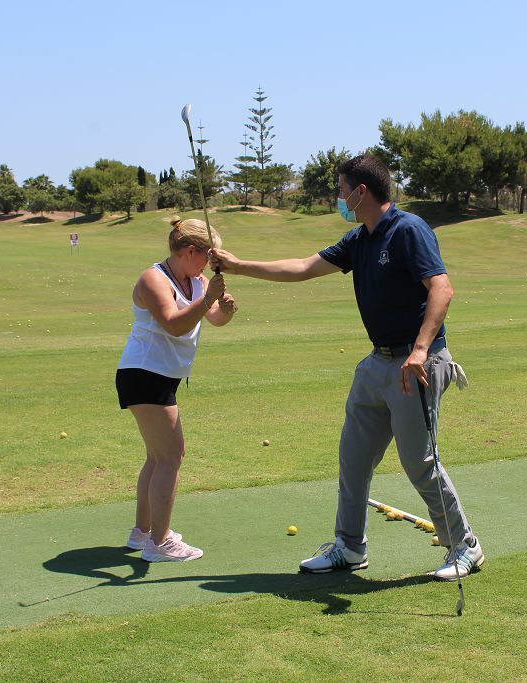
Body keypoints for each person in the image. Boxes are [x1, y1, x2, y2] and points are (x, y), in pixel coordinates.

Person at [210, 155, 482, 580]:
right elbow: (302, 268)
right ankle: (350, 547)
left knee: (419, 463)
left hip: (418, 364)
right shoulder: (359, 240)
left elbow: (442, 288)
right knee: (353, 461)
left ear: (362, 192)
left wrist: (419, 349)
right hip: (378, 363)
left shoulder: (409, 230)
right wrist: (239, 265)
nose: (337, 196)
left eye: (341, 189)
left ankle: (465, 545)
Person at [116, 217, 237, 562]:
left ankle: (141, 534)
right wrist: (207, 300)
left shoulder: (197, 280)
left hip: (161, 376)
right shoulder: (153, 279)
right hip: (144, 373)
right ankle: (160, 542)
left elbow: (213, 318)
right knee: (172, 455)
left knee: (158, 457)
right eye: (209, 257)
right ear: (189, 251)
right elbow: (173, 325)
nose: (212, 265)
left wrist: (224, 309)